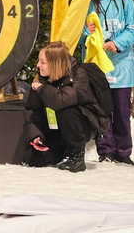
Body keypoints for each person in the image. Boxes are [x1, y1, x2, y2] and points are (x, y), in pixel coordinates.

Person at [19, 39, 108, 171]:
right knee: (33, 158)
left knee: (67, 111)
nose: (38, 65)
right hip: (56, 129)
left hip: (83, 125)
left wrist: (41, 89)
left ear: (55, 64)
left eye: (43, 62)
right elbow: (33, 109)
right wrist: (36, 136)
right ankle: (64, 149)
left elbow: (63, 100)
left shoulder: (79, 74)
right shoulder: (42, 78)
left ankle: (77, 156)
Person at [89, 0, 134, 164]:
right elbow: (81, 31)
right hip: (97, 66)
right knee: (102, 111)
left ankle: (123, 152)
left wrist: (116, 44)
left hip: (121, 66)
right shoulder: (88, 2)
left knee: (121, 112)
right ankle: (106, 151)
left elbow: (133, 28)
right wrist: (88, 31)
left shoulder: (124, 0)